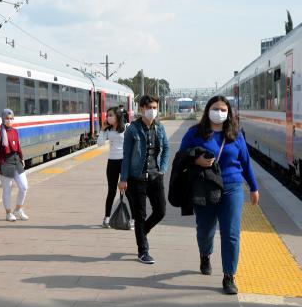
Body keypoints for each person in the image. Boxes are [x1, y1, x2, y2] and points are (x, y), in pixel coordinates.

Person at [178, 95, 259, 295]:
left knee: (231, 234)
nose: (220, 112)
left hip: (232, 187)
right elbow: (181, 157)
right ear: (207, 110)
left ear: (229, 113)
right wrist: (196, 161)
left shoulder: (236, 135)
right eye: (216, 108)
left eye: (224, 110)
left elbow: (246, 162)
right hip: (206, 188)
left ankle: (229, 276)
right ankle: (205, 255)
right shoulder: (195, 133)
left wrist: (254, 188)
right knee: (205, 230)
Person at [119, 95, 169, 264]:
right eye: (149, 108)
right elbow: (126, 156)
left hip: (156, 177)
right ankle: (143, 250)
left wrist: (162, 169)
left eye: (155, 107)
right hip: (136, 179)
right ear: (141, 109)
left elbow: (167, 148)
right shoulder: (132, 129)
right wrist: (123, 178)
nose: (152, 111)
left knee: (160, 211)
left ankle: (142, 231)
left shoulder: (160, 127)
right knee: (140, 216)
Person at [0, 109, 29, 222]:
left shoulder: (15, 131)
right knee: (7, 188)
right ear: (2, 119)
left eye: (11, 118)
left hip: (16, 161)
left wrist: (22, 158)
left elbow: (18, 146)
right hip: (4, 162)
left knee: (24, 187)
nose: (9, 120)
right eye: (7, 118)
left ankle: (18, 210)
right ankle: (8, 213)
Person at [97, 107, 132, 229]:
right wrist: (102, 129)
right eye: (108, 115)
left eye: (111, 115)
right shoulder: (108, 129)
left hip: (124, 162)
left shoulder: (127, 127)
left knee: (128, 191)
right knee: (111, 191)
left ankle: (131, 220)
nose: (108, 117)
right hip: (112, 162)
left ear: (117, 116)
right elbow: (100, 143)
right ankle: (107, 218)